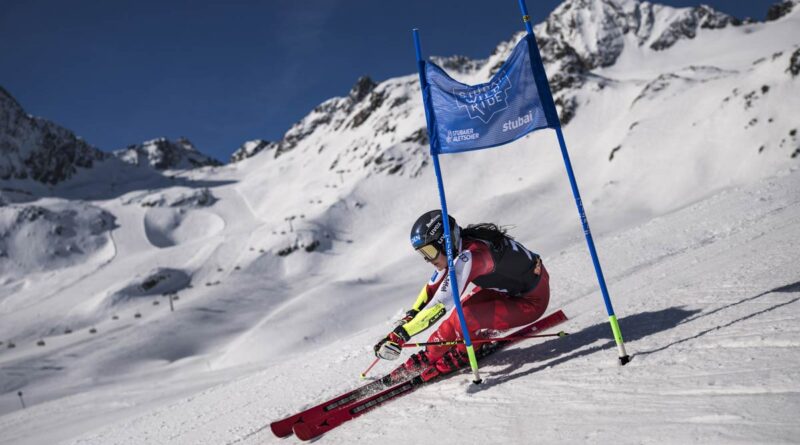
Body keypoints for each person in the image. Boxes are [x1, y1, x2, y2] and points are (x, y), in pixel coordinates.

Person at [373, 209, 550, 380]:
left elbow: (441, 303)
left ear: (445, 241)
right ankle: (430, 355)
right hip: (506, 291)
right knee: (459, 314)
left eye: (430, 252)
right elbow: (432, 287)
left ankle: (465, 353)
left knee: (465, 317)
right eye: (423, 254)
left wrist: (402, 335)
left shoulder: (474, 256)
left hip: (530, 301)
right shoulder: (462, 245)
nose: (428, 259)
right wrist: (408, 319)